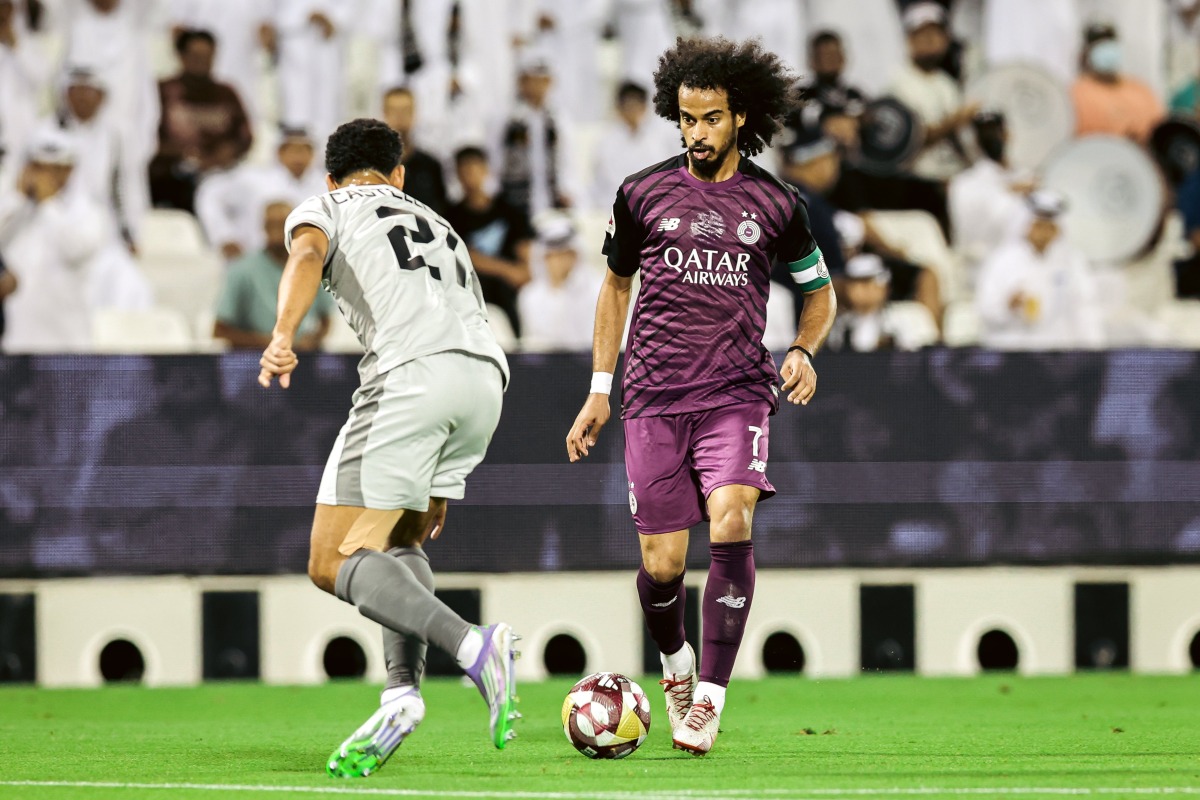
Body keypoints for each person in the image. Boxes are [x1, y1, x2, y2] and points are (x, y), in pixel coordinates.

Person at [565, 37, 837, 756]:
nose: (697, 133)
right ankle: (677, 663)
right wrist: (599, 389)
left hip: (737, 392)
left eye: (711, 118)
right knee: (661, 565)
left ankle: (709, 697)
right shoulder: (641, 193)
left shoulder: (777, 202)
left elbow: (820, 291)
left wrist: (804, 348)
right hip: (653, 396)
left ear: (740, 116)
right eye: (687, 119)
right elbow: (615, 286)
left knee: (732, 515)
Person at [256, 118, 519, 777]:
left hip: (411, 378)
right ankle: (402, 694)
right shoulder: (439, 220)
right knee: (399, 542)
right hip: (486, 381)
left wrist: (283, 333)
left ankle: (473, 646)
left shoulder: (329, 206)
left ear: (331, 178)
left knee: (331, 559)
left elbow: (305, 257)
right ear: (399, 174)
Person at [0, 125, 105, 353]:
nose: (45, 176)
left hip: (65, 344)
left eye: (56, 169)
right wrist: (16, 199)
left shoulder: (88, 212)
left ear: (70, 170)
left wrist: (49, 203)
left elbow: (76, 248)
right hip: (13, 342)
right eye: (38, 167)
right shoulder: (12, 209)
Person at [976, 189, 1104, 350]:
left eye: (1049, 227)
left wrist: (1094, 353)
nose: (1043, 233)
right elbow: (985, 311)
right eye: (1038, 226)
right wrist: (1008, 306)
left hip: (1057, 352)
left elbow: (1084, 309)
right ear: (1025, 226)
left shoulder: (1072, 261)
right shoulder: (1002, 261)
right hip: (1012, 352)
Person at [149, 28, 253, 212]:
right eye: (196, 56)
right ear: (181, 56)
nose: (202, 62)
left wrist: (230, 150)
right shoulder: (162, 91)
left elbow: (245, 136)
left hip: (220, 172)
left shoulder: (226, 93)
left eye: (207, 56)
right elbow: (144, 138)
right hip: (174, 175)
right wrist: (183, 154)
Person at [213, 201, 333, 350]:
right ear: (264, 228)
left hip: (302, 355)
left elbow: (326, 319)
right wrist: (265, 342)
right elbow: (220, 330)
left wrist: (312, 340)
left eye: (283, 224)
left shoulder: (312, 266)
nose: (278, 230)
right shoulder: (241, 270)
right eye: (272, 224)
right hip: (255, 357)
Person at [444, 145, 534, 337]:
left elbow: (525, 260)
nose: (470, 177)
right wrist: (507, 270)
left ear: (486, 170)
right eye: (464, 171)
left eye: (474, 169)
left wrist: (519, 272)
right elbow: (463, 257)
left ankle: (519, 342)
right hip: (473, 286)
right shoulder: (451, 218)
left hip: (509, 290)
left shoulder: (510, 211)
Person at [195, 126, 324, 260]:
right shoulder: (254, 180)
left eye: (304, 150)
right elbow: (210, 194)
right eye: (291, 150)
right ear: (279, 152)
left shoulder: (326, 185)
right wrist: (224, 237)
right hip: (258, 260)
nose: (298, 157)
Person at [57, 66, 149, 251]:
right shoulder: (46, 133)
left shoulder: (118, 136)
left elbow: (129, 187)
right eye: (76, 90)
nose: (82, 97)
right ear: (66, 95)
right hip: (60, 227)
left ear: (102, 96)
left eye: (88, 91)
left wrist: (132, 232)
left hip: (106, 228)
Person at [888, 3, 976, 183]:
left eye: (936, 33)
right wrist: (955, 121)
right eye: (923, 34)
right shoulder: (898, 83)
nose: (930, 40)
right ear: (909, 39)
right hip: (917, 181)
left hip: (956, 175)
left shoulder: (947, 83)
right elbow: (909, 141)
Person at [492, 49, 579, 218]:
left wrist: (568, 188)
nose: (537, 86)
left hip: (552, 199)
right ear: (521, 82)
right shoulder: (505, 118)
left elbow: (567, 161)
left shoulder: (560, 119)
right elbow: (494, 159)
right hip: (513, 201)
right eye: (532, 80)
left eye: (543, 80)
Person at [947, 111, 1033, 275]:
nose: (993, 138)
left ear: (1007, 134)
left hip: (1025, 266)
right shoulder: (964, 183)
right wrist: (1009, 192)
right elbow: (973, 229)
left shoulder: (1026, 177)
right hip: (982, 268)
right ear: (976, 140)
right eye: (986, 133)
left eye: (996, 132)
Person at [1071, 21, 1165, 145]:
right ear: (1086, 53)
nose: (1106, 50)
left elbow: (1159, 130)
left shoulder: (1140, 89)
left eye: (1109, 43)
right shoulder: (1075, 94)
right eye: (1099, 45)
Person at [517, 214, 601, 352]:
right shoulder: (529, 296)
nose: (558, 262)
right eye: (552, 256)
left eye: (565, 254)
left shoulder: (599, 292)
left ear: (576, 255)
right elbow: (531, 348)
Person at [590, 81, 679, 209]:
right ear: (619, 108)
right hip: (614, 206)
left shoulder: (661, 137)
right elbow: (601, 184)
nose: (632, 110)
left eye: (636, 104)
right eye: (628, 105)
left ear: (644, 107)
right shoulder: (606, 142)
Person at [826, 252, 927, 351]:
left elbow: (924, 356)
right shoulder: (839, 324)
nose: (859, 289)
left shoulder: (909, 316)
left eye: (866, 282)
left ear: (884, 286)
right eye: (854, 283)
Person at [797, 30, 869, 151]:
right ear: (812, 61)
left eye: (834, 54)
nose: (829, 60)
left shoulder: (856, 97)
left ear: (843, 58)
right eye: (823, 56)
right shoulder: (798, 99)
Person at [381, 86, 448, 215]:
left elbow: (441, 212)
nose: (400, 117)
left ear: (414, 113)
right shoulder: (372, 167)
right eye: (394, 111)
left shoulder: (431, 166)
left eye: (405, 111)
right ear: (384, 114)